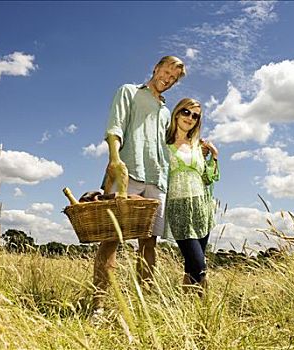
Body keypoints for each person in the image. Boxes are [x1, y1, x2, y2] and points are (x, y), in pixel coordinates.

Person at [93, 56, 186, 311]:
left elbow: (169, 147)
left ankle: (142, 304)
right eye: (165, 72)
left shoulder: (167, 111)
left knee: (149, 242)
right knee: (111, 238)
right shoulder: (129, 92)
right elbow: (115, 127)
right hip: (127, 173)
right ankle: (98, 306)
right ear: (156, 68)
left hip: (157, 179)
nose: (167, 79)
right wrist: (114, 160)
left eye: (172, 78)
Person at [163, 98, 219, 296]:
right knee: (199, 264)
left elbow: (208, 178)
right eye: (186, 112)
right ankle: (205, 307)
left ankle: (187, 308)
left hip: (202, 207)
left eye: (195, 116)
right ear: (177, 113)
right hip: (179, 207)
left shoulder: (197, 146)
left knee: (191, 267)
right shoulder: (164, 144)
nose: (190, 118)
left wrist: (214, 157)